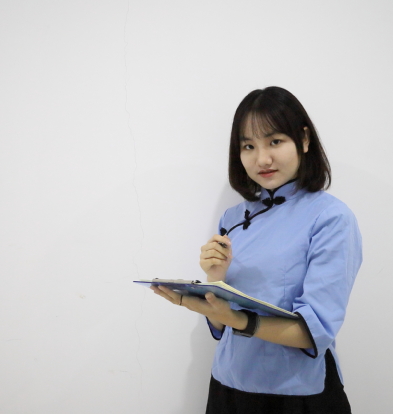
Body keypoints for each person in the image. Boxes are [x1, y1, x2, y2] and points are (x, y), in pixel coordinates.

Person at [151, 86, 362, 413]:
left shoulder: (331, 217)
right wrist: (214, 281)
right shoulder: (233, 217)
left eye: (275, 141)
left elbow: (315, 331)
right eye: (248, 146)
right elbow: (221, 326)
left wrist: (237, 319)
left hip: (295, 393)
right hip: (228, 384)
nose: (262, 159)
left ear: (304, 140)